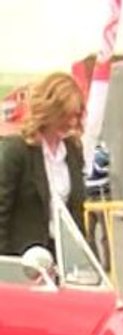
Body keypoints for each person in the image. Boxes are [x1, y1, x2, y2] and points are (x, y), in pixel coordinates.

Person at [0, 72, 86, 257]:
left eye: (76, 115)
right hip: (23, 259)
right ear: (49, 111)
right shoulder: (17, 150)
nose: (72, 122)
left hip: (64, 260)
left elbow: (77, 215)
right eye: (65, 115)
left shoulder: (73, 151)